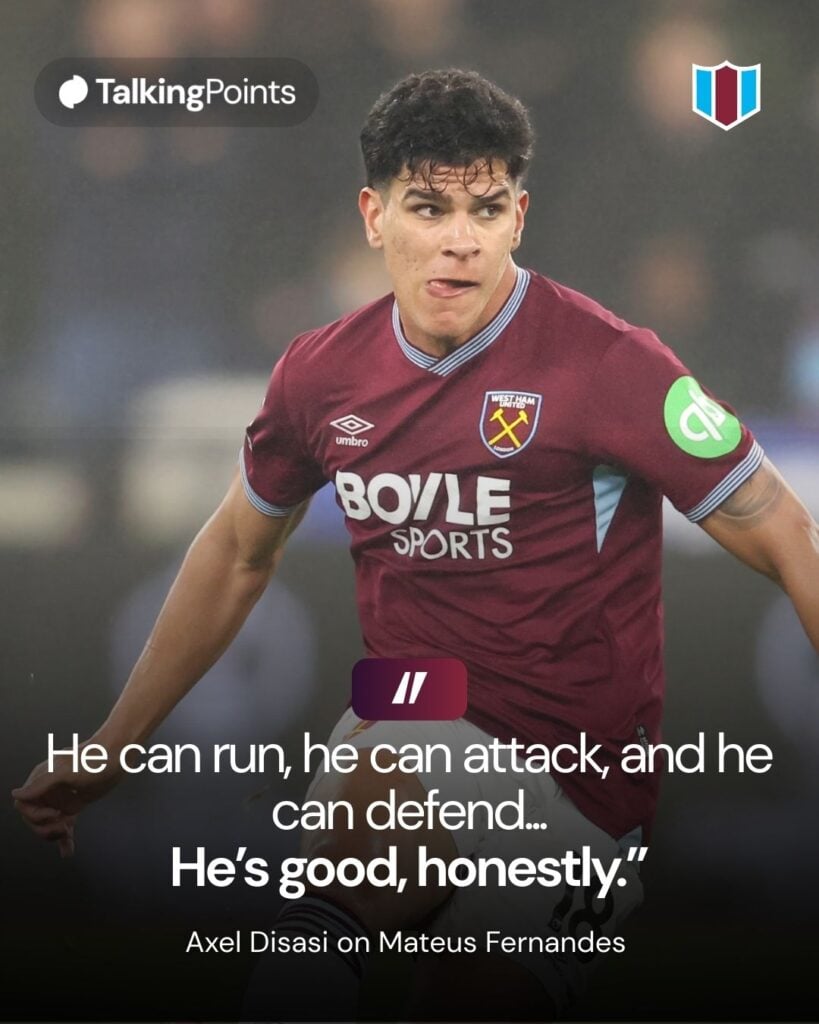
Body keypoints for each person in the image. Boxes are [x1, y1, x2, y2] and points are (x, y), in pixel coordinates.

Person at [13, 69, 819, 1021]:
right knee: (362, 828)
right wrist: (114, 747)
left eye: (485, 208)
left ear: (519, 216)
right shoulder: (320, 375)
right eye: (428, 207)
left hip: (581, 792)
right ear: (373, 215)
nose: (459, 240)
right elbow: (236, 552)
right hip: (413, 725)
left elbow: (776, 523)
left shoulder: (608, 363)